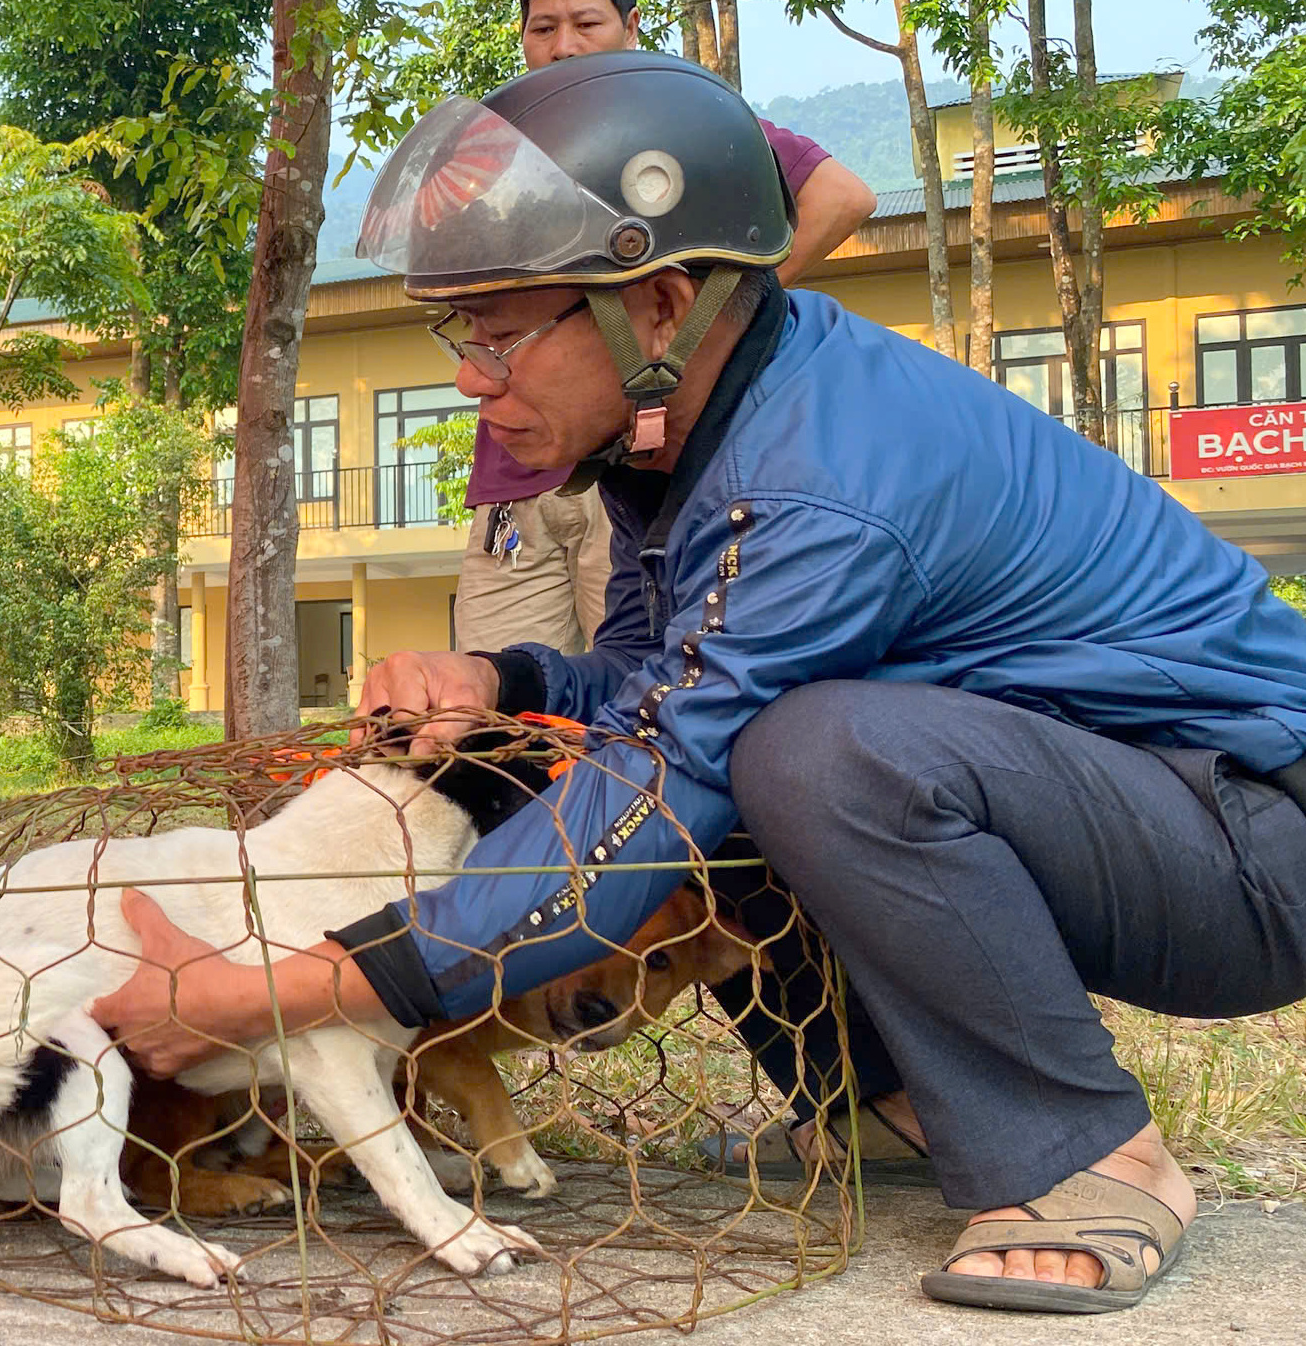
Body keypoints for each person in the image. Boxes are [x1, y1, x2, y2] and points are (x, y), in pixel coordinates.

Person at [93, 51, 1306, 1314]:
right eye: (461, 334)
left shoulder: (813, 482)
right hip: (1120, 808)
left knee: (804, 754)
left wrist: (278, 989)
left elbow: (657, 777)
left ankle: (1089, 1155)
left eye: (501, 335)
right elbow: (642, 687)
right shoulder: (697, 434)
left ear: (660, 305)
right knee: (700, 755)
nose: (470, 377)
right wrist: (496, 675)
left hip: (1246, 842)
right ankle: (882, 1103)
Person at [452, 0, 876, 657]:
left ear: (632, 27)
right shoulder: (499, 148)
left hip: (633, 459)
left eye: (586, 23)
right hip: (516, 479)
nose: (562, 46)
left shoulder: (672, 124)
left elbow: (842, 196)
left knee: (640, 673)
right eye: (543, 28)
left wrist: (715, 317)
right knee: (494, 700)